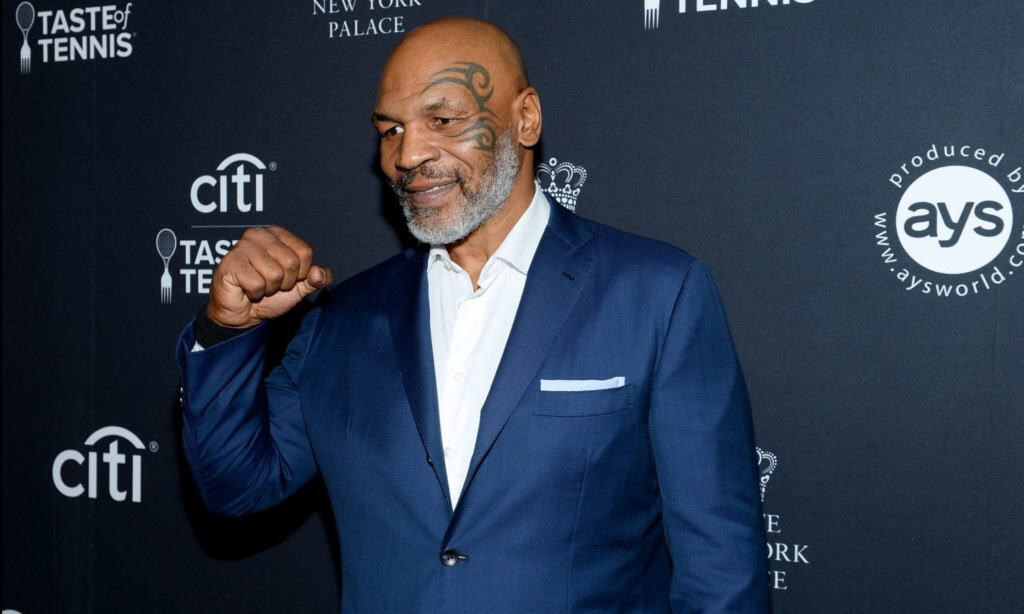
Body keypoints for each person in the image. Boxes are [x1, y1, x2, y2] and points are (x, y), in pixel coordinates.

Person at [178, 16, 769, 613]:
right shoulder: (344, 318)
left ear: (526, 118)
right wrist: (227, 331)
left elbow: (719, 565)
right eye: (390, 130)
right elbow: (236, 488)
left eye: (443, 120)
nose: (408, 154)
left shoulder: (655, 293)